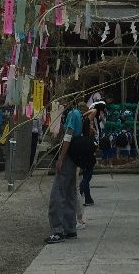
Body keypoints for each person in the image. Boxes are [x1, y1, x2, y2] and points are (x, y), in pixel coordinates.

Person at [44, 98, 83, 244]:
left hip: (68, 156)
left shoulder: (72, 114)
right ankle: (70, 228)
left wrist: (61, 157)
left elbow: (68, 136)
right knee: (69, 192)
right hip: (74, 157)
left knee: (58, 193)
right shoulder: (78, 113)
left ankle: (58, 230)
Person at [78, 102, 103, 207]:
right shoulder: (85, 121)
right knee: (86, 177)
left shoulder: (83, 124)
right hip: (88, 153)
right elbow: (94, 111)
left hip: (86, 151)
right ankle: (79, 196)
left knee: (86, 176)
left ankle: (87, 198)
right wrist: (84, 114)